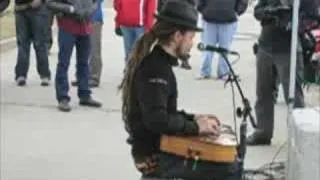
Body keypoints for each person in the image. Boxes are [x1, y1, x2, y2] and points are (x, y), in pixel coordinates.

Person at [118, 0, 221, 179]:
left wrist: (193, 118)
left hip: (159, 146)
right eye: (190, 37)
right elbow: (157, 120)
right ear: (176, 36)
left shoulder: (160, 63)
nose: (192, 43)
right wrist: (195, 127)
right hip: (155, 155)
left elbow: (163, 112)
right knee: (227, 168)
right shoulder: (155, 68)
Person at [247, 0, 319, 145]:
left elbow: (314, 18)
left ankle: (298, 136)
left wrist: (293, 20)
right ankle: (263, 132)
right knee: (263, 92)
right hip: (266, 46)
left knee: (293, 96)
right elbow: (257, 11)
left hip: (289, 50)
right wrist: (270, 13)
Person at [47, 0, 102, 112]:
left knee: (83, 63)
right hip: (67, 27)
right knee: (63, 62)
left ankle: (85, 94)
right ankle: (63, 97)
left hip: (85, 27)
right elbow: (50, 3)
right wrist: (70, 9)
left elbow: (96, 2)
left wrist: (90, 10)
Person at [197, 0, 248, 80]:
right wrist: (202, 9)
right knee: (207, 48)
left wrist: (238, 11)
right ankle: (205, 71)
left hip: (228, 20)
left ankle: (223, 73)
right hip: (209, 18)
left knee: (224, 49)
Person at [14, 0, 51, 86]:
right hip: (21, 9)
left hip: (38, 9)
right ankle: (21, 75)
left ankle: (45, 75)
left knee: (40, 43)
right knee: (22, 44)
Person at [113, 0, 157, 66]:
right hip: (125, 25)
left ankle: (140, 74)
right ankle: (129, 74)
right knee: (128, 54)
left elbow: (151, 9)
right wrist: (117, 24)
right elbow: (118, 6)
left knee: (140, 54)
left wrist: (149, 28)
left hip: (140, 27)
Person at [72, 0, 104, 87]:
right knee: (81, 49)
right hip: (79, 18)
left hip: (94, 19)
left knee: (94, 49)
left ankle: (94, 76)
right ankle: (81, 76)